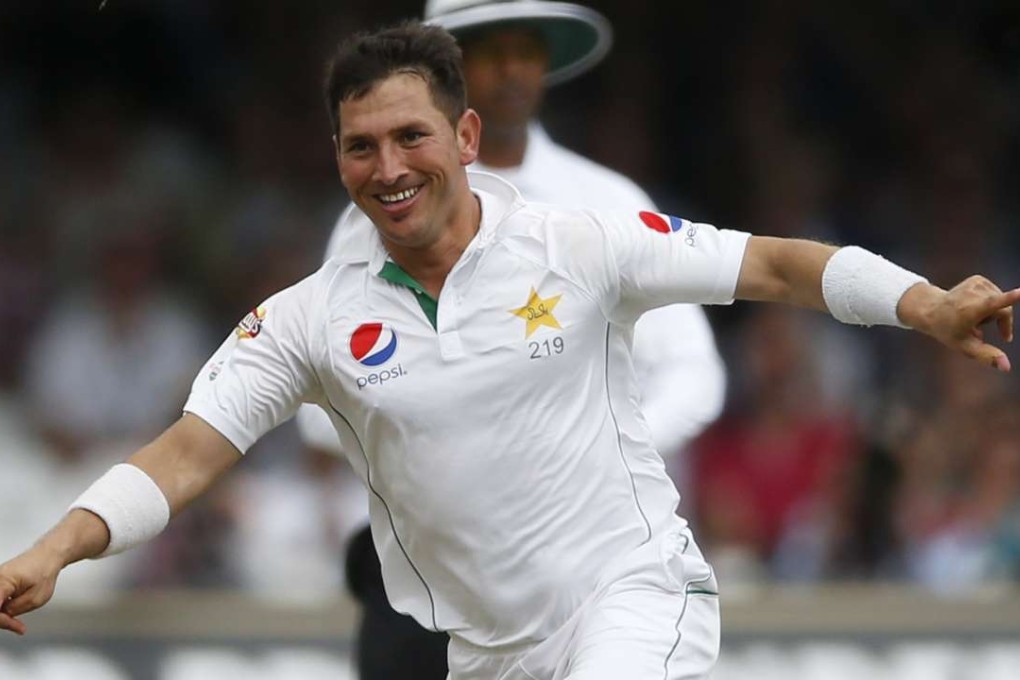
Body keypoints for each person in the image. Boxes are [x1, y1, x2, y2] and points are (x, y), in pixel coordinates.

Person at [2, 21, 1017, 680]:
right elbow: (185, 454)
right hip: (487, 655)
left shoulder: (579, 242)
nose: (389, 167)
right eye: (361, 146)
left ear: (466, 137)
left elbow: (778, 266)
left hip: (632, 597)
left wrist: (925, 303)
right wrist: (52, 549)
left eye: (411, 136)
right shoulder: (308, 318)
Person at [295, 1, 726, 676]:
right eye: (490, 53)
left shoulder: (604, 200)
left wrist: (588, 457)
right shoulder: (375, 220)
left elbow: (693, 371)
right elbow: (321, 403)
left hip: (590, 571)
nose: (512, 71)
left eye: (527, 50)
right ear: (444, 71)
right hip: (423, 579)